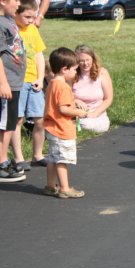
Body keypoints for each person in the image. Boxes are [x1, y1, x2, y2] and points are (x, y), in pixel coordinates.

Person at [43, 47, 88, 198]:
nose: (76, 72)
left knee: (52, 158)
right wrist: (79, 112)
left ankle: (50, 185)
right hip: (62, 129)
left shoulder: (52, 83)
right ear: (64, 69)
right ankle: (64, 188)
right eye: (75, 70)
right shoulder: (63, 87)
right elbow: (64, 109)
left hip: (51, 128)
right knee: (63, 160)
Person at [10, 0, 46, 172]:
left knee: (39, 120)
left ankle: (38, 155)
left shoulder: (32, 30)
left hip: (34, 81)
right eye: (27, 17)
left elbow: (39, 54)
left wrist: (40, 78)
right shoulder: (11, 29)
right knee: (17, 119)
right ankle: (18, 157)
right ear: (16, 13)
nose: (31, 21)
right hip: (17, 81)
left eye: (34, 17)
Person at [0, 0, 26, 182]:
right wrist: (3, 83)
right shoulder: (0, 24)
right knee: (5, 125)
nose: (19, 4)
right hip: (7, 83)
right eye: (16, 0)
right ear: (2, 0)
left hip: (15, 82)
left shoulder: (9, 20)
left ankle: (3, 159)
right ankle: (1, 162)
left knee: (9, 124)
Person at [72, 45, 113, 133]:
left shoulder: (102, 73)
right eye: (81, 61)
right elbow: (64, 95)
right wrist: (75, 100)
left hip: (97, 115)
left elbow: (108, 98)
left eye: (87, 60)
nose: (85, 64)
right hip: (77, 114)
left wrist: (94, 114)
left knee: (87, 125)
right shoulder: (72, 75)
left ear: (93, 59)